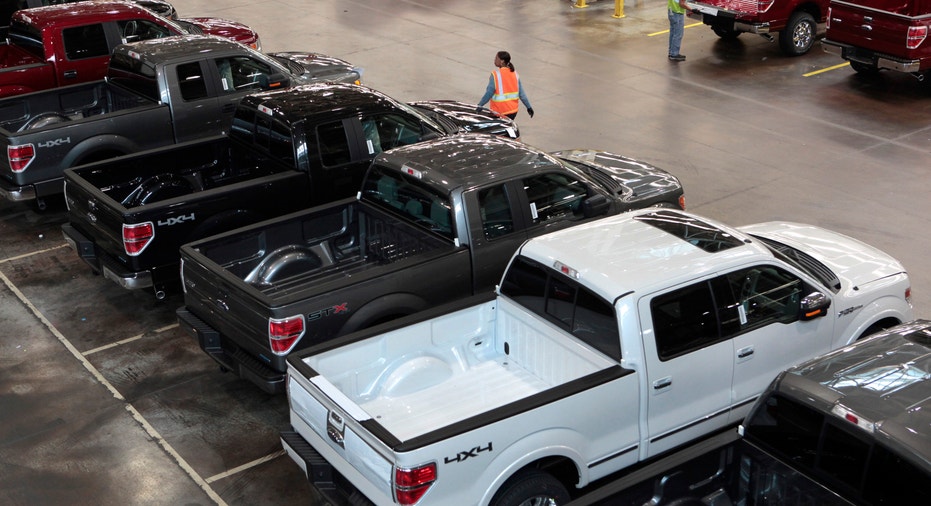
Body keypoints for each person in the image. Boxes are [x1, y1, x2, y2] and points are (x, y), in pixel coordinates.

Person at [477, 51, 534, 119]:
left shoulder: (495, 75)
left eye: (496, 58)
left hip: (499, 113)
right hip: (513, 112)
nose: (494, 60)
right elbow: (522, 94)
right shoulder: (515, 74)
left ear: (502, 61)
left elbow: (489, 93)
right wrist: (529, 107)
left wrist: (480, 106)